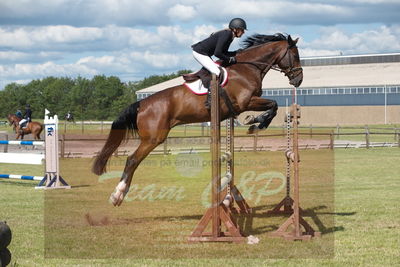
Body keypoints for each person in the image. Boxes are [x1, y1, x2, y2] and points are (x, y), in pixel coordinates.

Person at [191, 18, 247, 107]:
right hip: (199, 52)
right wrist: (229, 59)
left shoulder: (230, 35)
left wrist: (236, 52)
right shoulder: (227, 34)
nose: (243, 32)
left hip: (204, 53)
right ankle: (210, 100)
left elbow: (223, 52)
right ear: (235, 29)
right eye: (242, 30)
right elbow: (217, 53)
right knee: (217, 71)